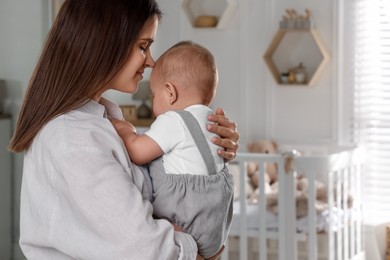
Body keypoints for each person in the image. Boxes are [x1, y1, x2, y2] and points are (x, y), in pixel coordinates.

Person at [8, 0, 239, 259]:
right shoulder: (74, 140)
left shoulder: (102, 121)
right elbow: (145, 247)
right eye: (143, 47)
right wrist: (196, 250)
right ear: (105, 43)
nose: (151, 62)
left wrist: (206, 148)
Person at [112, 41, 233, 259]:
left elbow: (138, 152)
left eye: (153, 95)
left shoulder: (174, 120)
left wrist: (125, 130)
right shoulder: (213, 121)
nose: (153, 100)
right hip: (215, 229)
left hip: (186, 223)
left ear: (170, 93)